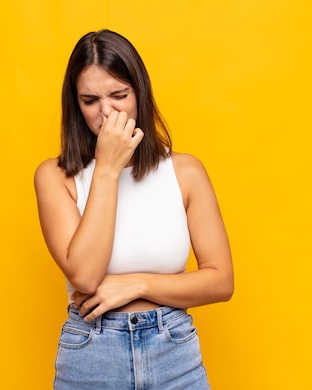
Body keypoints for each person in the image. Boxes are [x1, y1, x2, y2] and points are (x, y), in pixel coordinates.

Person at [34, 29, 233, 390]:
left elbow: (221, 280)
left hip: (173, 352)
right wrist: (107, 169)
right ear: (75, 104)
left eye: (119, 95)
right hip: (92, 355)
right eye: (90, 100)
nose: (106, 111)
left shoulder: (185, 172)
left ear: (139, 92)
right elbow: (85, 276)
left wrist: (135, 285)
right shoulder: (56, 176)